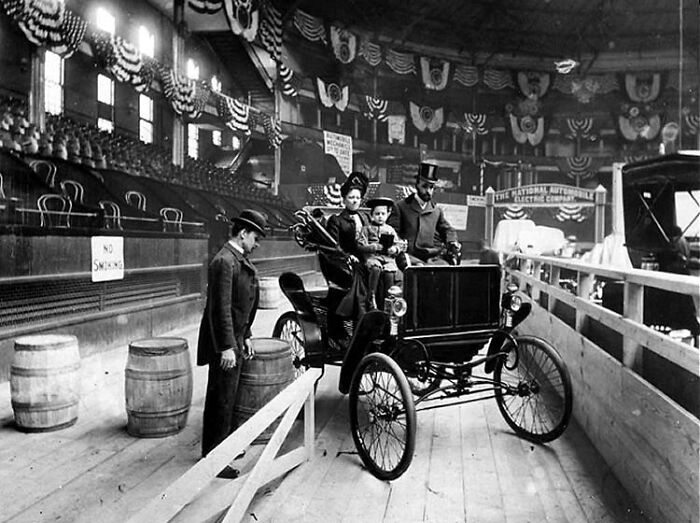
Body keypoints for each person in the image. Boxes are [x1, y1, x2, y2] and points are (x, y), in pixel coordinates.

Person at [197, 209, 267, 479]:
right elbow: (221, 309)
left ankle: (223, 447)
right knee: (221, 401)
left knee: (229, 398)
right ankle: (213, 459)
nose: (257, 244)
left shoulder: (236, 259)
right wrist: (227, 346)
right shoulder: (225, 261)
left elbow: (241, 306)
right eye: (255, 238)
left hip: (236, 337)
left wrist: (246, 334)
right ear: (243, 233)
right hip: (223, 342)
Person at [389, 162, 459, 267]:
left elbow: (448, 229)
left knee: (445, 269)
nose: (429, 191)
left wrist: (452, 242)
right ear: (416, 185)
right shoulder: (401, 207)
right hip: (410, 256)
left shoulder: (436, 211)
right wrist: (399, 245)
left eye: (431, 187)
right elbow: (392, 232)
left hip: (433, 257)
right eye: (425, 186)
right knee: (417, 269)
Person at [357, 197, 403, 309]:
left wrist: (394, 249)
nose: (380, 216)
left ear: (387, 215)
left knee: (389, 273)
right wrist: (374, 247)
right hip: (373, 257)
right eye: (377, 214)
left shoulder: (390, 229)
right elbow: (360, 245)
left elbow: (399, 244)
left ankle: (389, 298)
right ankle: (371, 296)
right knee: (375, 268)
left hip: (387, 259)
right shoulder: (366, 229)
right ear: (372, 215)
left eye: (383, 214)